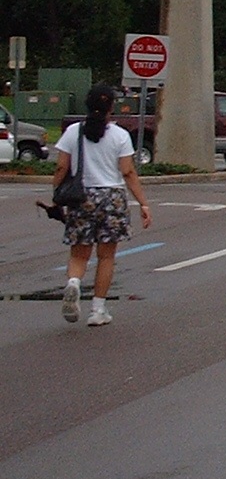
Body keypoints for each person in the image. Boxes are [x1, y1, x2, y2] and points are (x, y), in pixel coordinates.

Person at [52, 84, 152, 326]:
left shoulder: (73, 132)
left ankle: (73, 283)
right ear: (111, 106)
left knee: (79, 254)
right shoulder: (120, 135)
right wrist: (143, 204)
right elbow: (128, 172)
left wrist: (56, 196)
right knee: (106, 256)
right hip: (112, 198)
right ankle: (98, 310)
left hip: (81, 197)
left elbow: (61, 167)